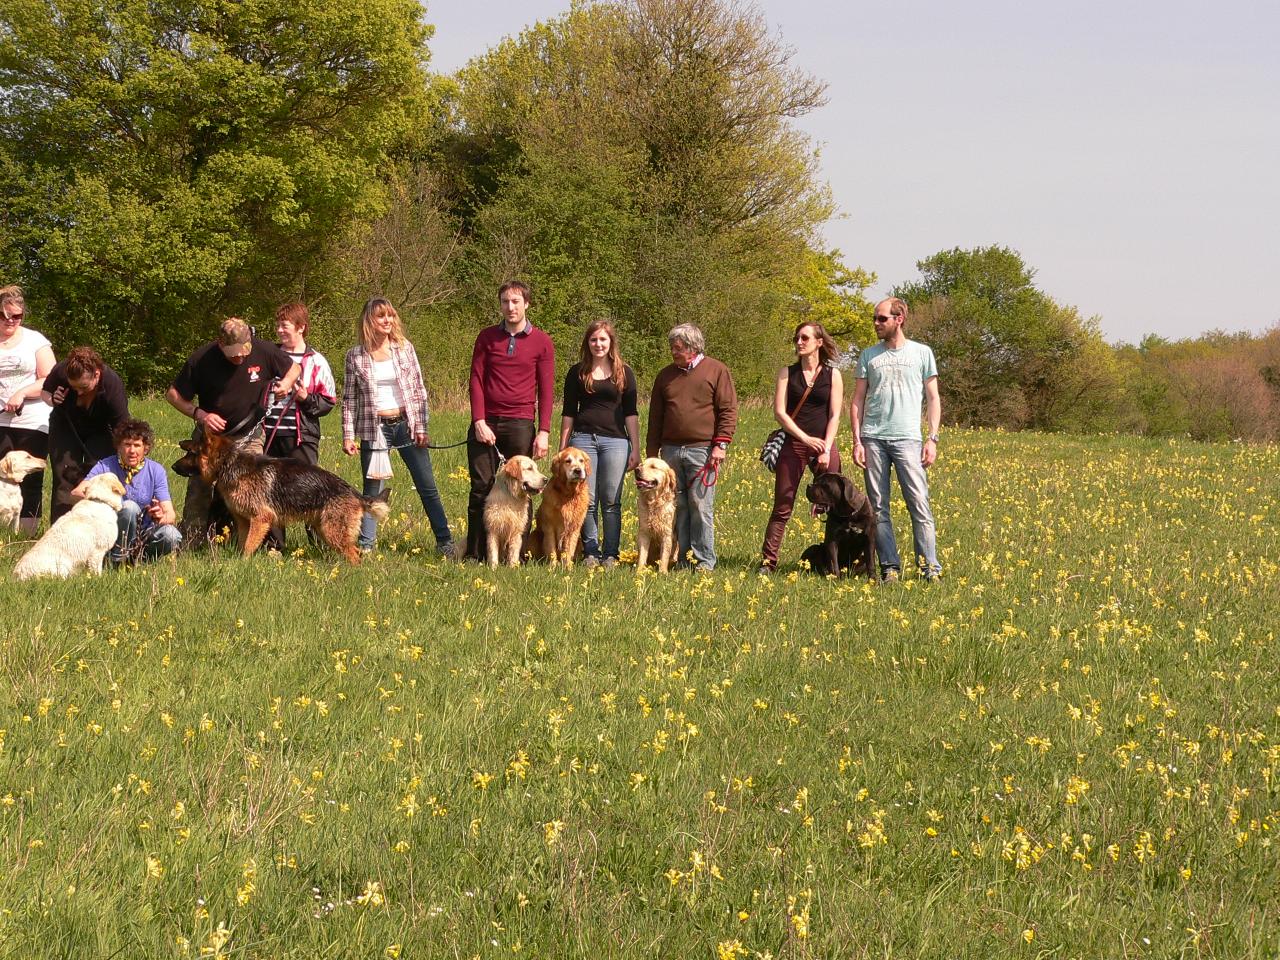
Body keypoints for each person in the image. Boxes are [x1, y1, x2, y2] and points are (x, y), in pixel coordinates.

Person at [165, 317, 299, 543]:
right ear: (220, 344)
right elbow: (173, 395)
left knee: (251, 494)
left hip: (249, 435)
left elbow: (294, 368)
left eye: (243, 352)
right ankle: (191, 542)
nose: (239, 357)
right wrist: (201, 414)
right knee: (199, 491)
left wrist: (286, 383)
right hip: (211, 440)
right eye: (233, 353)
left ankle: (245, 546)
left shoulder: (264, 350)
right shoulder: (201, 359)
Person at [341, 297, 455, 556]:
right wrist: (348, 435)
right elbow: (349, 399)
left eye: (390, 316)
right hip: (374, 429)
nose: (387, 321)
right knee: (372, 491)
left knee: (427, 484)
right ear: (370, 320)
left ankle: (444, 542)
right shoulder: (355, 356)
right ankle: (366, 546)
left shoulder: (404, 349)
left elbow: (418, 391)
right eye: (381, 316)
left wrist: (421, 427)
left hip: (406, 425)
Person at [850, 297, 942, 582]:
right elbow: (857, 401)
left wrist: (932, 439)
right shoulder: (868, 356)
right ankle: (890, 567)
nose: (876, 324)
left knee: (919, 505)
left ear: (898, 319)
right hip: (873, 438)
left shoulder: (922, 353)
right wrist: (857, 440)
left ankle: (930, 569)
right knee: (878, 508)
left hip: (908, 440)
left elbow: (933, 398)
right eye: (875, 319)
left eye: (882, 319)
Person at [462, 281, 555, 562]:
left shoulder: (542, 341)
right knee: (481, 487)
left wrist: (544, 432)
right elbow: (476, 380)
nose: (510, 307)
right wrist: (478, 420)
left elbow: (547, 390)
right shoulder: (487, 337)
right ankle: (475, 554)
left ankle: (517, 556)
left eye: (516, 301)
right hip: (486, 420)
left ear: (527, 304)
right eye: (505, 301)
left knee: (521, 490)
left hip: (521, 422)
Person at [645, 323, 738, 572]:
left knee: (700, 505)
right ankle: (683, 559)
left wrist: (721, 445)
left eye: (679, 347)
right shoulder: (665, 375)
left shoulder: (717, 370)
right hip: (671, 451)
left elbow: (728, 410)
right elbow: (656, 417)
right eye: (672, 347)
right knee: (678, 506)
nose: (674, 352)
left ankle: (704, 560)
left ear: (693, 347)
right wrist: (652, 454)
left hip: (703, 450)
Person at [759, 321, 844, 573]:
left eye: (805, 338)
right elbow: (780, 413)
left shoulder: (833, 375)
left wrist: (826, 449)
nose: (799, 342)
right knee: (782, 506)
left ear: (819, 342)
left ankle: (836, 561)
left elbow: (835, 415)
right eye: (797, 338)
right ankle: (768, 562)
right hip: (794, 444)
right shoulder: (787, 373)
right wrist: (805, 439)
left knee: (837, 506)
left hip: (824, 445)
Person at [559, 320, 640, 569]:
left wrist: (635, 448)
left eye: (603, 339)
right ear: (588, 343)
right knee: (588, 499)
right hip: (583, 440)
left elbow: (631, 413)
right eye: (594, 340)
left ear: (611, 342)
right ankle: (591, 552)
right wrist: (563, 447)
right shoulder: (577, 372)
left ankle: (611, 554)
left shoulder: (624, 372)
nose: (598, 344)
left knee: (611, 500)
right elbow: (569, 412)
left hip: (615, 441)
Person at [263, 301, 336, 551]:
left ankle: (318, 545)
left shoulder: (316, 361)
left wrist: (306, 398)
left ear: (301, 327)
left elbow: (328, 402)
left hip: (300, 436)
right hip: (268, 435)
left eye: (285, 326)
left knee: (308, 489)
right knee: (269, 491)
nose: (279, 330)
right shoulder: (269, 356)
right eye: (278, 325)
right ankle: (274, 546)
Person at [43, 346, 129, 523]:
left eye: (83, 386)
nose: (79, 392)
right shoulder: (62, 369)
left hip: (99, 430)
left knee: (97, 476)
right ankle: (61, 530)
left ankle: (95, 526)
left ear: (97, 375)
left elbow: (123, 428)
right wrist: (52, 399)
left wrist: (127, 455)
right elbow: (45, 392)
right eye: (73, 387)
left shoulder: (112, 386)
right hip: (64, 426)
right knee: (64, 478)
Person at [77, 418, 181, 563]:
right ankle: (116, 561)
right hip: (111, 531)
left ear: (146, 448)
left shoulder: (156, 470)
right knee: (129, 507)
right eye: (127, 445)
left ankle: (138, 561)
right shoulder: (105, 466)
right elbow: (77, 492)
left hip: (144, 533)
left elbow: (170, 514)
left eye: (137, 445)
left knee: (171, 535)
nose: (132, 451)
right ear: (119, 447)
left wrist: (161, 516)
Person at [0, 285, 54, 535]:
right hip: (1, 421)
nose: (10, 320)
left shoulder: (35, 340)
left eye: (16, 316)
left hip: (32, 420)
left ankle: (25, 537)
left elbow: (50, 379)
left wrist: (21, 393)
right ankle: (4, 535)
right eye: (3, 315)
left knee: (30, 481)